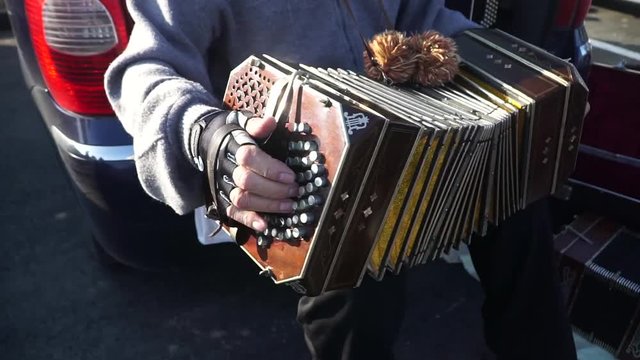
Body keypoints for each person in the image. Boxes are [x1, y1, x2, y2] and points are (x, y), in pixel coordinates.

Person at [105, 1, 577, 359]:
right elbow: (144, 70)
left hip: (412, 132)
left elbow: (424, 13)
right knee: (355, 296)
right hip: (301, 172)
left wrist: (516, 70)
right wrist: (207, 135)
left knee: (520, 204)